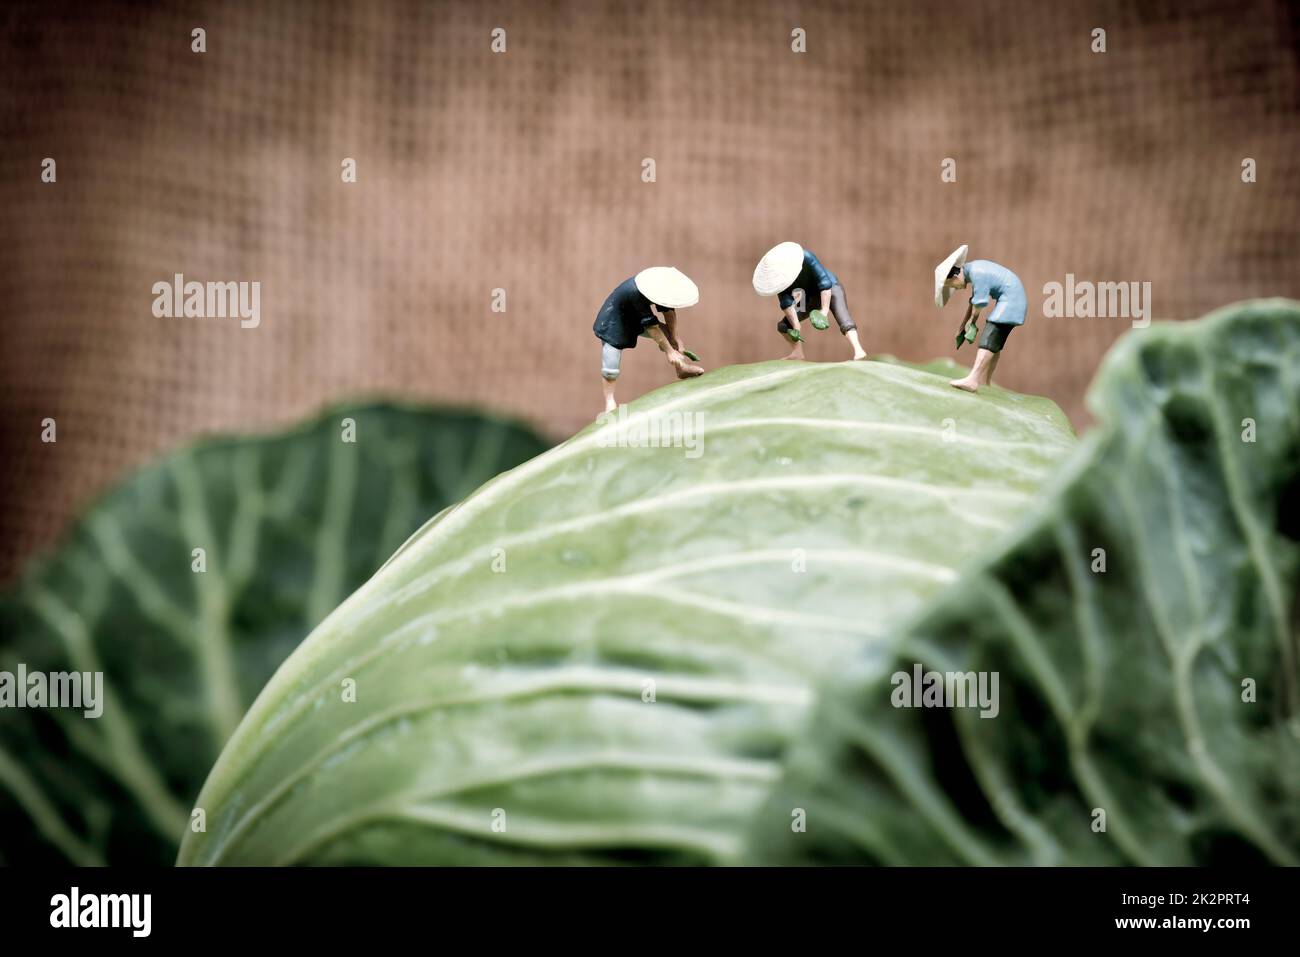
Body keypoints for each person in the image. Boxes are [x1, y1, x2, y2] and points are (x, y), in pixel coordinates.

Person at [594, 267, 703, 412]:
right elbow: (651, 327)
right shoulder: (634, 292)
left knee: (668, 335)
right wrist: (670, 351)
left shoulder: (660, 290)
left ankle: (681, 368)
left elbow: (669, 312)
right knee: (611, 364)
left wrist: (675, 337)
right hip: (613, 321)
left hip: (635, 317)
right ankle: (609, 401)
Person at [752, 241, 867, 361]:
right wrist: (796, 324)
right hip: (807, 298)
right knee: (784, 326)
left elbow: (824, 284)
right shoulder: (781, 282)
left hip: (831, 289)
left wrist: (824, 311)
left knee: (844, 319)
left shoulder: (806, 257)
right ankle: (798, 352)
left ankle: (858, 349)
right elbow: (786, 303)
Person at [934, 244, 1027, 393]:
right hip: (1013, 301)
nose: (956, 288)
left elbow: (980, 303)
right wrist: (963, 326)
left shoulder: (977, 273)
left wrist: (971, 322)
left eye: (953, 285)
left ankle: (973, 379)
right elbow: (973, 302)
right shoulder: (974, 270)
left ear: (956, 276)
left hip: (1011, 302)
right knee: (995, 345)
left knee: (988, 339)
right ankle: (985, 380)